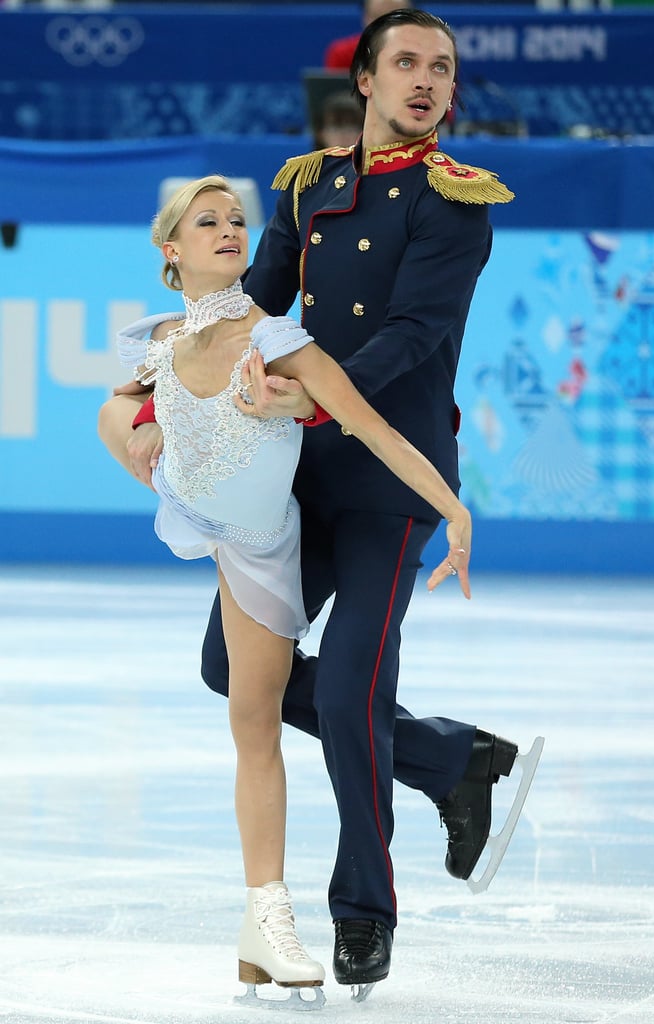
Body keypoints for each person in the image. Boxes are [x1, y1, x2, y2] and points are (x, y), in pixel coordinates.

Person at [106, 8, 543, 997]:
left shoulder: (453, 201)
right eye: (407, 63)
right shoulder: (312, 188)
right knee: (232, 667)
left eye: (441, 66)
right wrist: (153, 386)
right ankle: (448, 760)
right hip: (301, 481)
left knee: (347, 691)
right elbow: (249, 303)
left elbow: (412, 337)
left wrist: (312, 392)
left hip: (391, 480)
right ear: (368, 80)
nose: (426, 80)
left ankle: (363, 914)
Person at [99, 173, 473, 1003]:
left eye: (238, 219)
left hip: (266, 549)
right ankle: (263, 922)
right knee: (243, 710)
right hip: (217, 535)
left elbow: (370, 425)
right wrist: (133, 435)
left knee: (270, 719)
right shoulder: (160, 342)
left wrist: (453, 508)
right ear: (174, 250)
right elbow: (113, 407)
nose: (231, 229)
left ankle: (294, 920)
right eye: (210, 221)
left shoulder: (273, 337)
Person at [324, 0, 412, 71]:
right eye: (378, 17)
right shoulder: (342, 53)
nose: (386, 25)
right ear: (365, 17)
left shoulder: (423, 51)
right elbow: (336, 92)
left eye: (396, 17)